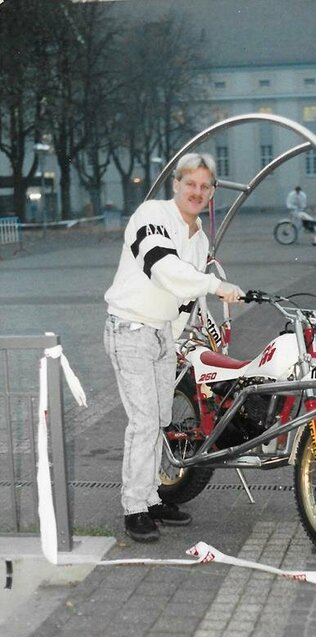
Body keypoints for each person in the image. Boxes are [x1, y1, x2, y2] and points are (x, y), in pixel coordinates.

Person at [104, 152, 244, 543]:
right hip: (130, 329)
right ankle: (134, 507)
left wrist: (184, 338)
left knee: (161, 418)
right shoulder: (151, 215)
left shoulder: (199, 239)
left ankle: (151, 498)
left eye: (204, 187)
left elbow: (185, 300)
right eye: (190, 184)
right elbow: (163, 267)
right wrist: (216, 286)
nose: (196, 192)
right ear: (176, 185)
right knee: (145, 421)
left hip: (163, 334)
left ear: (212, 192)